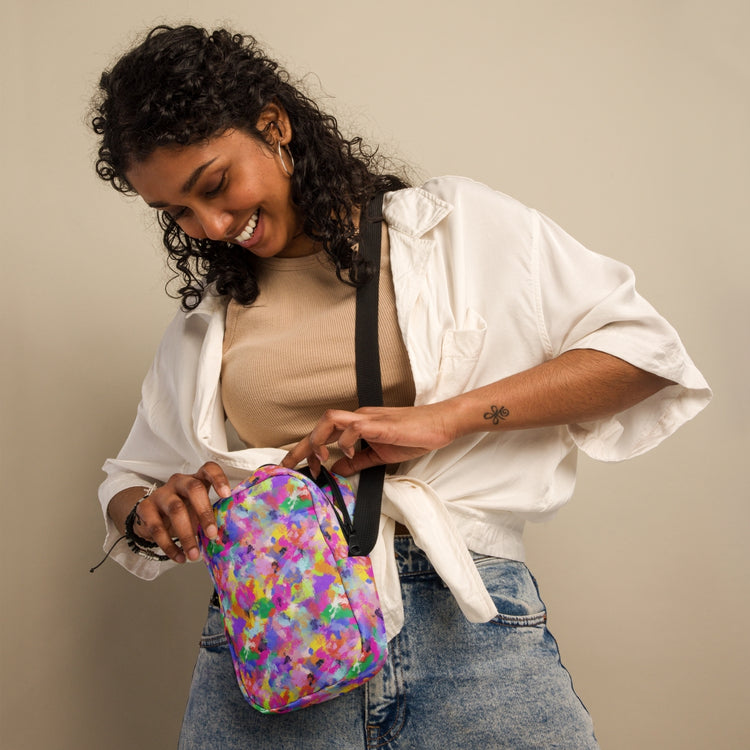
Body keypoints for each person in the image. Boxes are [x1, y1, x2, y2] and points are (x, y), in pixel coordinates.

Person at [91, 24, 711, 750]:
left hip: (466, 627)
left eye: (216, 185)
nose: (213, 225)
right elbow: (127, 482)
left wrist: (446, 419)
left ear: (274, 124)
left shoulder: (451, 230)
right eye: (178, 213)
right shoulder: (208, 321)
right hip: (277, 636)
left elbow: (643, 356)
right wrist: (153, 512)